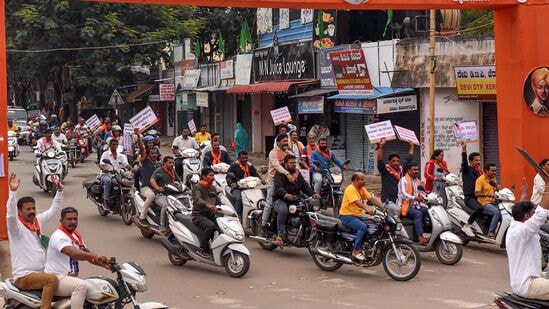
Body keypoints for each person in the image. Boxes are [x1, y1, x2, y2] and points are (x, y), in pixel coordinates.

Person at [6, 172, 63, 309]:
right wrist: (13, 192)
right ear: (20, 211)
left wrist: (59, 190)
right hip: (24, 277)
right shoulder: (16, 229)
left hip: (41, 273)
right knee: (51, 280)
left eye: (33, 208)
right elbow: (11, 216)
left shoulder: (37, 222)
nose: (32, 211)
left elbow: (53, 210)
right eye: (28, 209)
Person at [45, 207, 110, 309]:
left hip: (68, 278)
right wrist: (95, 256)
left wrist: (106, 264)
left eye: (75, 219)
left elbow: (86, 254)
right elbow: (74, 253)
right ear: (61, 221)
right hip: (56, 278)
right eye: (69, 219)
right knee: (80, 286)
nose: (73, 222)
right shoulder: (59, 236)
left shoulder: (75, 235)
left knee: (96, 284)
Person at [506, 171, 549, 300]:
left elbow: (518, 210)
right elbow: (541, 215)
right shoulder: (523, 231)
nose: (533, 215)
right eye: (532, 213)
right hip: (528, 284)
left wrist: (524, 194)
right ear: (527, 216)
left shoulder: (515, 225)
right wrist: (547, 186)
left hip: (531, 279)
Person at [273, 155, 319, 246]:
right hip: (281, 199)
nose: (294, 165)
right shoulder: (280, 174)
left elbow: (305, 187)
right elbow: (278, 188)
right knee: (283, 211)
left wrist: (313, 194)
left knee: (309, 207)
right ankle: (280, 235)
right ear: (285, 164)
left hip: (295, 198)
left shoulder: (298, 174)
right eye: (291, 163)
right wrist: (285, 194)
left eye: (294, 163)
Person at [340, 172, 385, 260]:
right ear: (356, 180)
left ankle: (367, 246)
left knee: (374, 223)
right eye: (362, 179)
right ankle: (355, 251)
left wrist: (383, 208)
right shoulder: (350, 189)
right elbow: (357, 202)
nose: (365, 181)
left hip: (357, 216)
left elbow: (371, 199)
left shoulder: (362, 189)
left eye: (364, 179)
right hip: (347, 216)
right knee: (362, 227)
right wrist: (367, 209)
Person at [262, 134, 294, 227]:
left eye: (286, 141)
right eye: (283, 141)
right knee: (269, 202)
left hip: (285, 182)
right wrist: (287, 173)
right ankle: (263, 224)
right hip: (273, 181)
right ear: (278, 142)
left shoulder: (288, 153)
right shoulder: (273, 152)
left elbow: (295, 163)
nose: (285, 143)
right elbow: (277, 165)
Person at [191, 167, 221, 257]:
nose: (213, 177)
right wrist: (208, 205)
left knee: (222, 228)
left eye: (213, 175)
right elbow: (198, 200)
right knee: (210, 226)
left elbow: (218, 201)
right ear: (204, 176)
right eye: (210, 175)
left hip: (210, 215)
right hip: (198, 215)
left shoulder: (213, 188)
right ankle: (202, 249)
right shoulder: (197, 187)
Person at [398, 163, 430, 245]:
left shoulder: (415, 180)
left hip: (414, 205)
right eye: (414, 170)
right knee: (418, 214)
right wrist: (414, 197)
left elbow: (419, 192)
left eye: (417, 170)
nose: (417, 171)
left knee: (428, 211)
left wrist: (426, 197)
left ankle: (426, 230)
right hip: (404, 207)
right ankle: (420, 237)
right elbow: (403, 194)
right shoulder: (403, 180)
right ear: (409, 171)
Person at [459, 142, 486, 237]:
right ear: (471, 161)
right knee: (479, 208)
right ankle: (467, 225)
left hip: (479, 197)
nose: (478, 162)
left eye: (479, 160)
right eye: (476, 160)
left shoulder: (479, 172)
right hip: (470, 197)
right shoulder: (467, 169)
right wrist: (464, 149)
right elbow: (464, 162)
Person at [376, 138, 415, 204]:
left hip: (399, 199)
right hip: (388, 201)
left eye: (398, 161)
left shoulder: (401, 169)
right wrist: (381, 146)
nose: (396, 163)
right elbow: (380, 161)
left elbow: (409, 158)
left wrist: (412, 146)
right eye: (393, 161)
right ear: (389, 162)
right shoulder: (385, 170)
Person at [226, 151, 260, 218]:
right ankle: (238, 216)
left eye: (246, 158)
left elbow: (256, 175)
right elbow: (228, 177)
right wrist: (232, 184)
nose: (245, 160)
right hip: (238, 188)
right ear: (238, 158)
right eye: (243, 158)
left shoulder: (250, 166)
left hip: (249, 187)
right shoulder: (234, 166)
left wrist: (261, 179)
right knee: (239, 198)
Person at [99, 138, 129, 210]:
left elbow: (126, 164)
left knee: (127, 181)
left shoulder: (121, 156)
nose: (115, 146)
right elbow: (101, 164)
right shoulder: (105, 154)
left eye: (116, 145)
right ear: (110, 145)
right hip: (107, 174)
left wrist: (131, 168)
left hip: (118, 175)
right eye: (113, 144)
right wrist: (104, 169)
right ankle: (105, 200)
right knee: (108, 181)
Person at [149, 156, 178, 232]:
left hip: (172, 195)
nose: (172, 164)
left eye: (173, 163)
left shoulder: (173, 171)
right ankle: (162, 225)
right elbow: (152, 180)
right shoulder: (159, 171)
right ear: (164, 163)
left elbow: (179, 181)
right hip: (160, 195)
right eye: (170, 163)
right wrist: (157, 187)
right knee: (166, 205)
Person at [135, 147, 161, 226]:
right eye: (152, 153)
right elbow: (142, 151)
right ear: (148, 155)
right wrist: (139, 137)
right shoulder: (146, 162)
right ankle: (142, 215)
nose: (154, 155)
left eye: (155, 153)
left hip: (158, 188)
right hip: (146, 188)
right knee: (151, 196)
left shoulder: (160, 164)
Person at [475, 163, 502, 238]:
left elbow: (497, 189)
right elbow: (477, 193)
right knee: (496, 212)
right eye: (492, 171)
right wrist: (488, 195)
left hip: (493, 202)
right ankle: (491, 232)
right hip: (484, 203)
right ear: (486, 171)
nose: (494, 173)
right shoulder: (480, 179)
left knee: (503, 213)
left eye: (495, 171)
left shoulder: (493, 179)